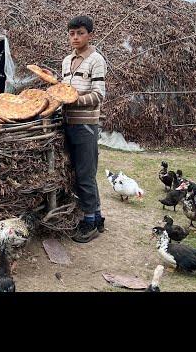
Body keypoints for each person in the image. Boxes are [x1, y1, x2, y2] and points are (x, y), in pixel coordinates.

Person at [60, 15, 108, 243]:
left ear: (90, 34)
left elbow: (98, 95)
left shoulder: (96, 60)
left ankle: (89, 223)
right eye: (72, 33)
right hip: (68, 123)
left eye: (80, 33)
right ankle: (97, 217)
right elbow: (64, 90)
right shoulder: (67, 61)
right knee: (78, 173)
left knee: (85, 175)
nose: (75, 37)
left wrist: (72, 100)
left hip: (85, 125)